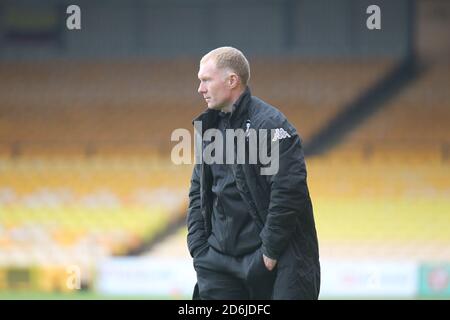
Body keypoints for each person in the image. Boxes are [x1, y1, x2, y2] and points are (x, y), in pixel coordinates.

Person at [187, 46, 320, 300]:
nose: (200, 89)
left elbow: (289, 191)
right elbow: (198, 190)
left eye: (205, 80)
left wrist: (269, 253)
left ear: (232, 80)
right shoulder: (210, 127)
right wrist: (199, 248)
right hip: (218, 262)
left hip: (272, 260)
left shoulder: (272, 125)